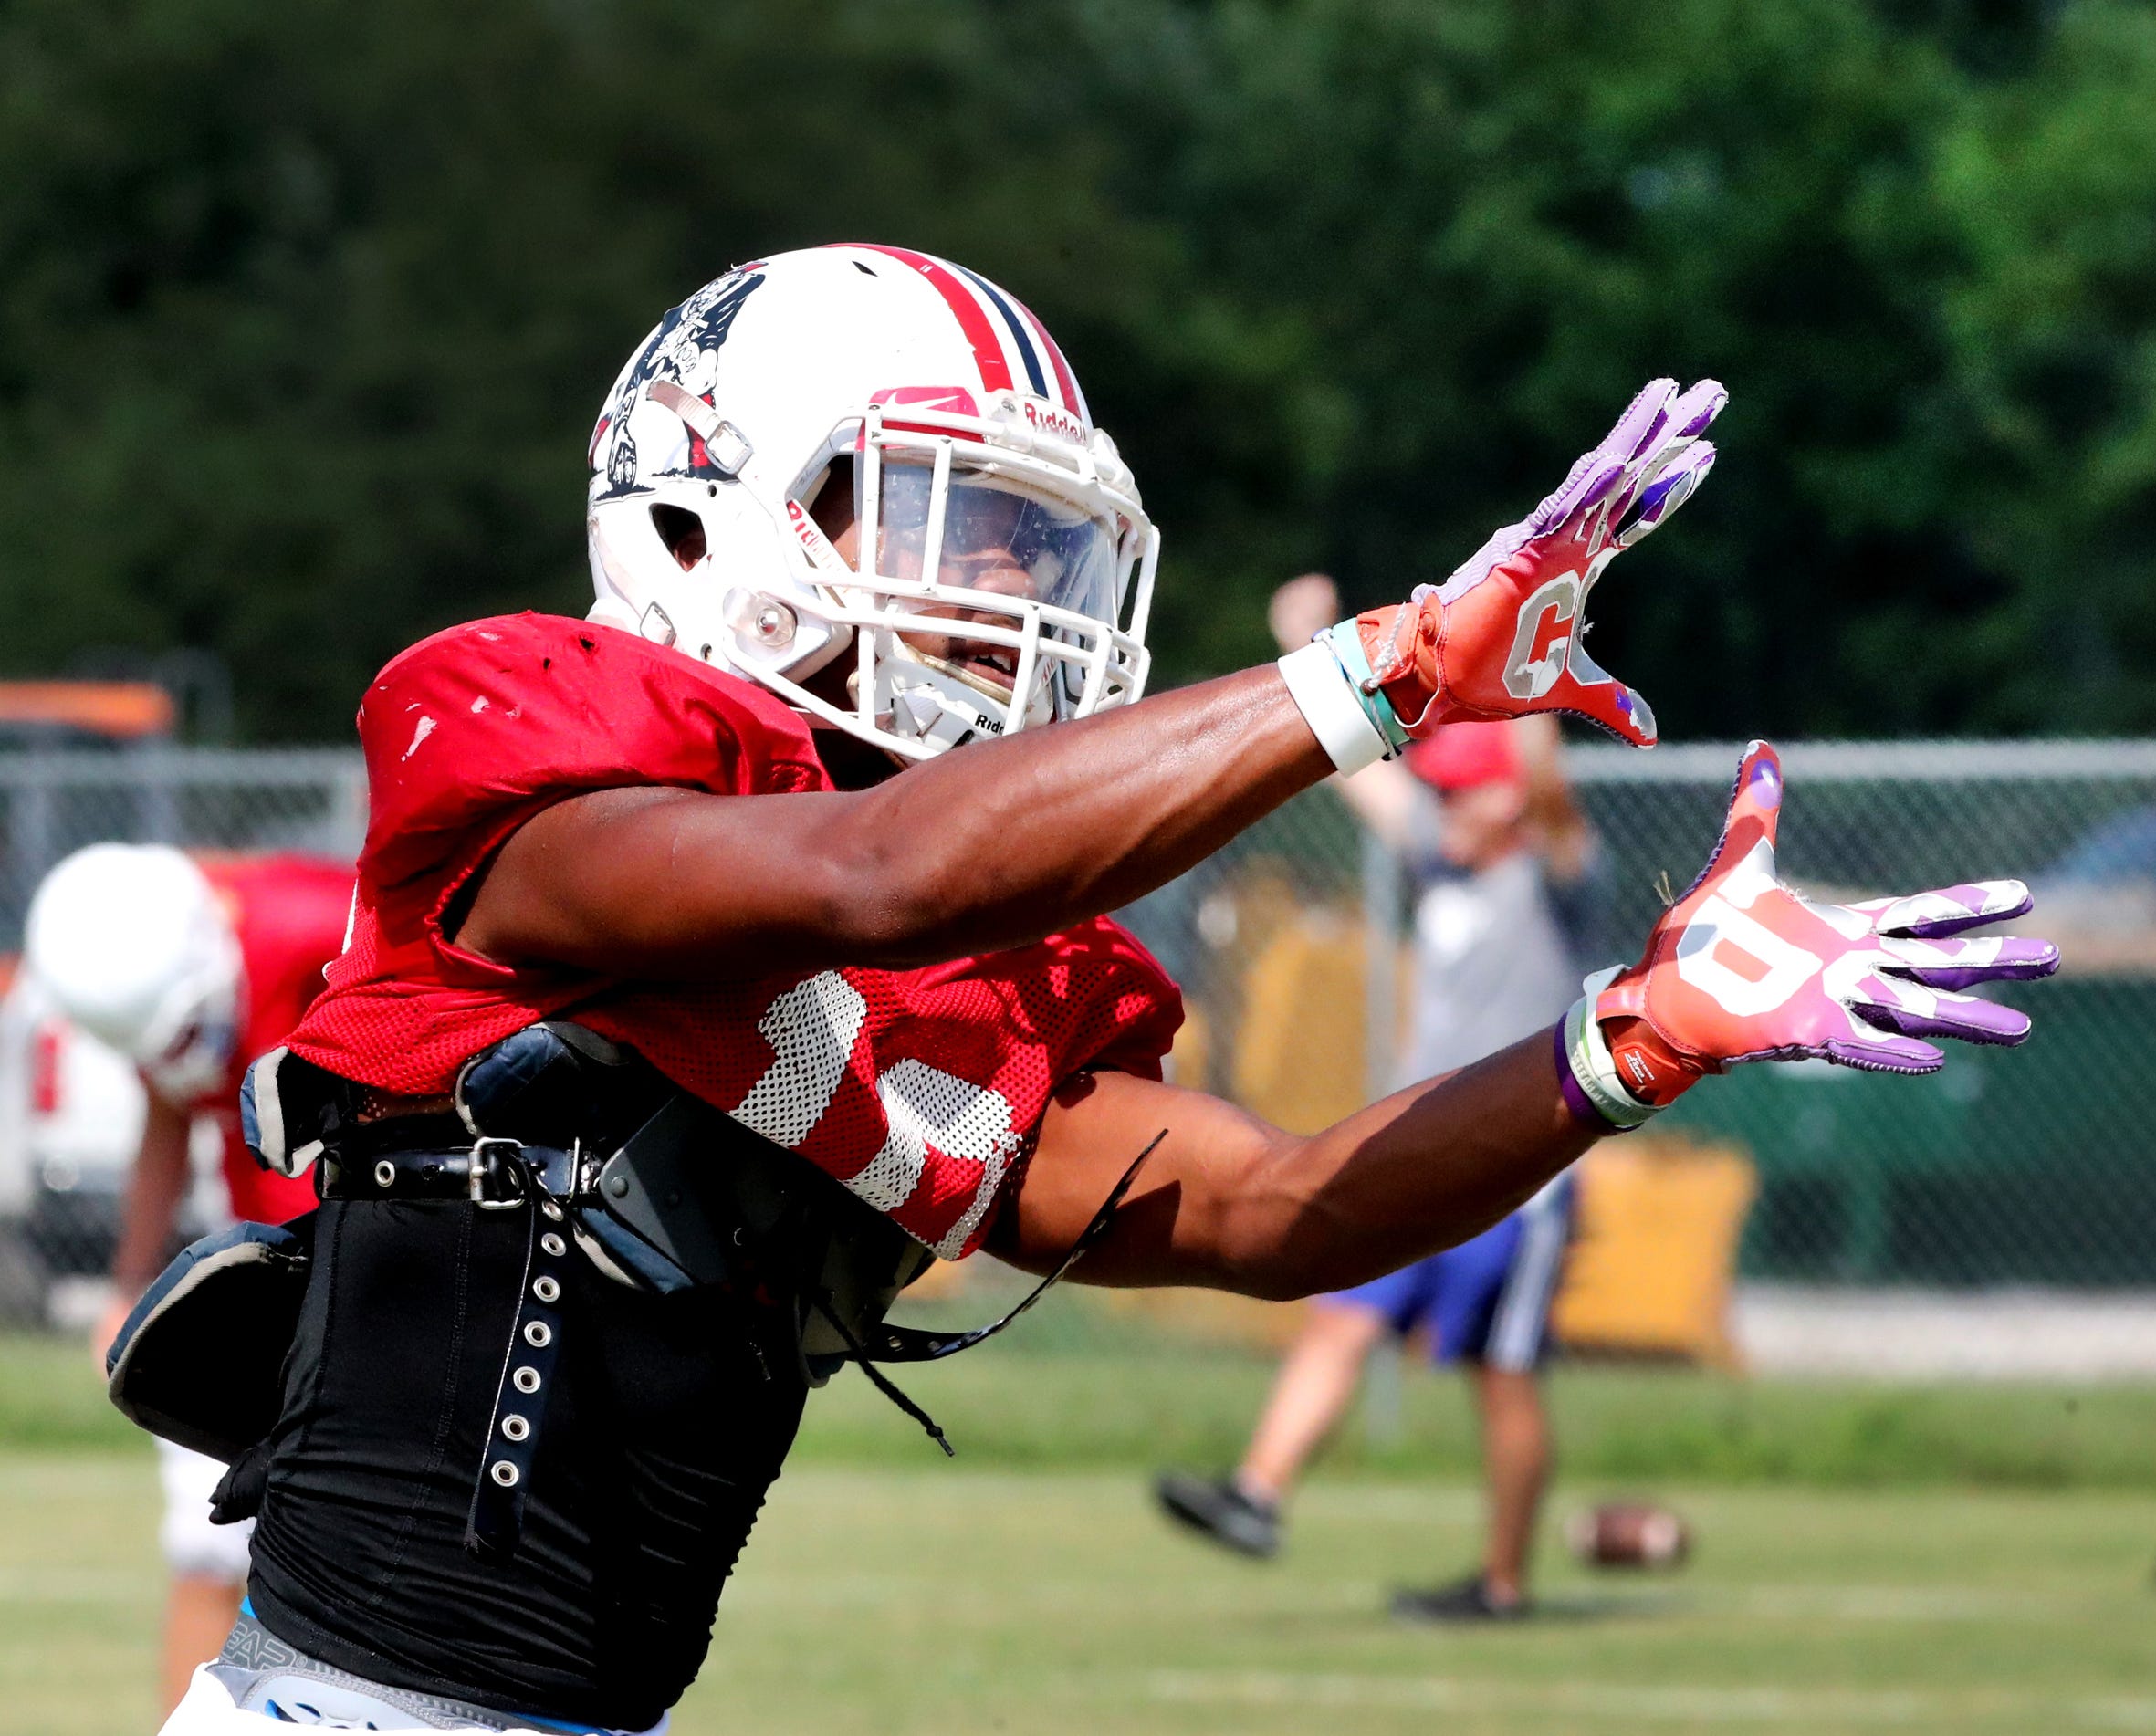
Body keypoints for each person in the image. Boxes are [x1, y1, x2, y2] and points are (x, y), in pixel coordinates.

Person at [137, 245, 2054, 1736]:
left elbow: (1270, 1209)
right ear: (708, 515)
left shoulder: (981, 971)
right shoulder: (542, 762)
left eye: (1029, 542)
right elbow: (862, 878)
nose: (998, 595)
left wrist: (1621, 1046)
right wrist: (1374, 680)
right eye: (948, 524)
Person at [1154, 574, 1609, 1621]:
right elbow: (1355, 762)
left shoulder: (1549, 873)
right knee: (1341, 1317)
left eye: (1465, 790)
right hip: (1422, 1147)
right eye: (1442, 791)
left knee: (1500, 1378)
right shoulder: (1442, 867)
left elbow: (1547, 787)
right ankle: (1256, 1496)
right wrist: (1302, 644)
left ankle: (1499, 1585)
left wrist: (1537, 658)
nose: (1445, 802)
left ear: (1506, 799)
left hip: (1518, 1178)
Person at [19, 843, 353, 1714]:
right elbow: (171, 1102)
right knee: (209, 1542)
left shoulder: (324, 923)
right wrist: (126, 1283)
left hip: (385, 1259)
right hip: (279, 1264)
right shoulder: (147, 957)